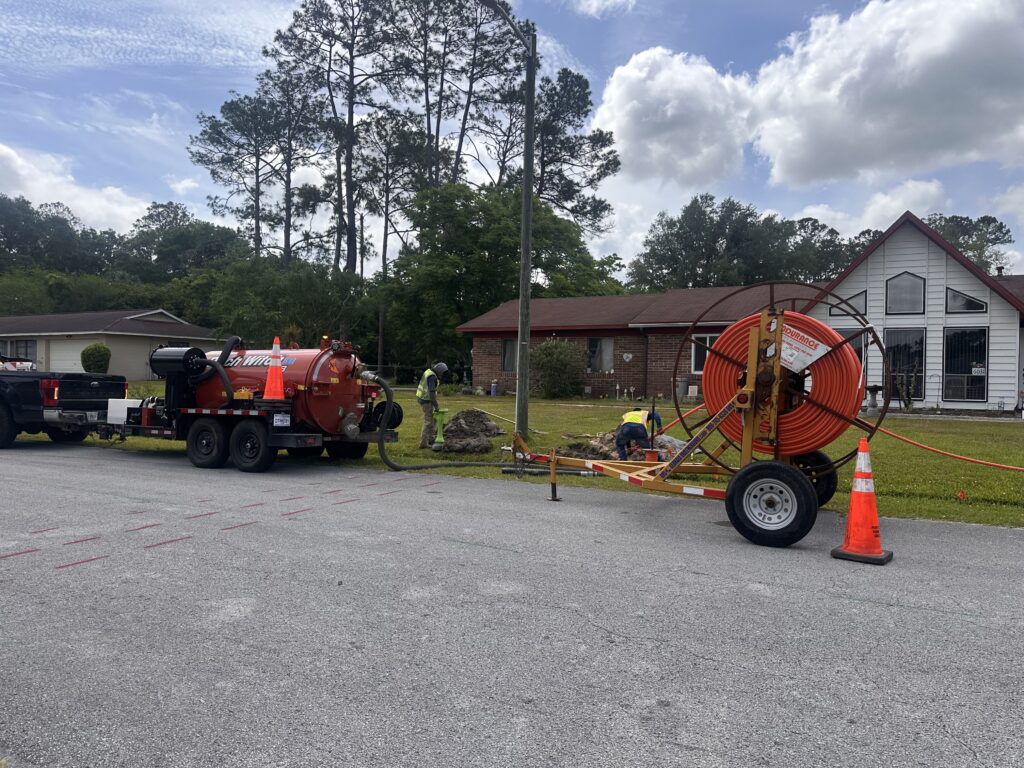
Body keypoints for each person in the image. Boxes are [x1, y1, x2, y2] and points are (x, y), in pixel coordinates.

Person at [416, 362, 448, 449]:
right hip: (426, 400)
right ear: (439, 371)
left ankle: (431, 438)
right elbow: (431, 393)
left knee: (433, 419)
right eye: (442, 373)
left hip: (424, 398)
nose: (442, 375)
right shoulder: (432, 377)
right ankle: (423, 443)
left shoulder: (429, 372)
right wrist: (436, 405)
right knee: (428, 421)